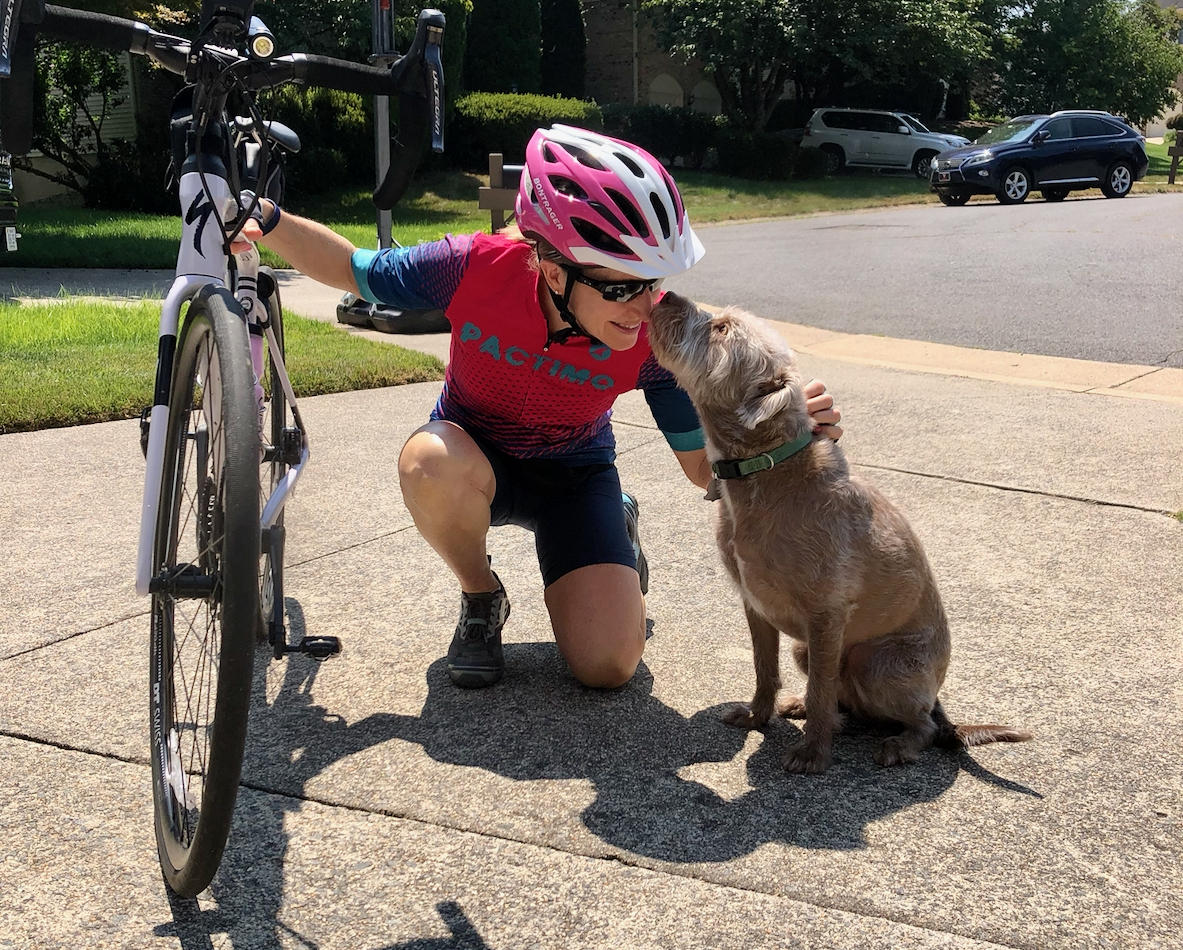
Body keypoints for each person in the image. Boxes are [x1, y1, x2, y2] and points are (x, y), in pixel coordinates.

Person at [239, 124, 842, 691]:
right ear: (554, 272)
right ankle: (481, 596)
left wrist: (786, 440)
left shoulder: (655, 342)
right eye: (621, 285)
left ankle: (615, 525)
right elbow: (353, 270)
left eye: (653, 282)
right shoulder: (472, 266)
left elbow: (705, 471)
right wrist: (266, 219)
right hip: (473, 460)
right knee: (428, 462)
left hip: (574, 477)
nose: (644, 307)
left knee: (608, 666)